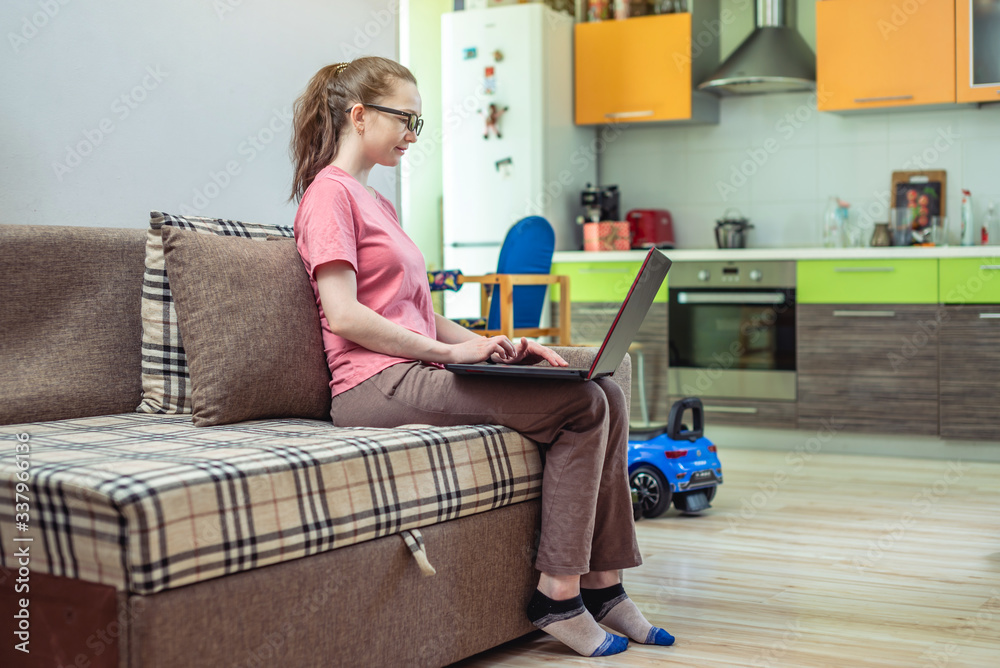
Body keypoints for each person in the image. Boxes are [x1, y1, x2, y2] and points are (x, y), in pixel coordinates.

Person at [288, 56, 673, 658]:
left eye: (420, 123)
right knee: (580, 405)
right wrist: (448, 352)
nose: (413, 136)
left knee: (608, 393)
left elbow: (411, 309)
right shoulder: (327, 198)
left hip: (412, 368)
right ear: (359, 117)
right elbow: (345, 315)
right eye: (404, 120)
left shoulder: (376, 203)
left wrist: (486, 345)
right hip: (372, 384)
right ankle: (558, 596)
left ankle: (605, 586)